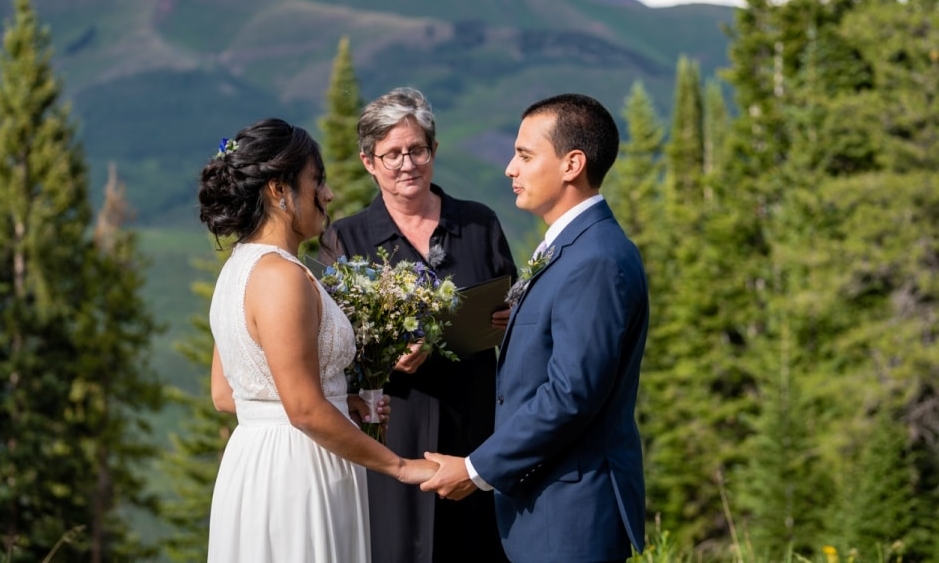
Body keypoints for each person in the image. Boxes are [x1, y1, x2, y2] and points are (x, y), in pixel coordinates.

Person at [420, 93, 649, 563]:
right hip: (543, 506)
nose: (510, 168)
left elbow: (571, 394)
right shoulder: (571, 246)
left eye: (524, 155)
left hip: (571, 514)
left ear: (572, 164)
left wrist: (475, 468)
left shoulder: (596, 259)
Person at [198, 118, 436, 563]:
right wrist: (401, 466)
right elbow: (303, 410)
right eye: (316, 180)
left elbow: (227, 395)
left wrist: (340, 403)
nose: (327, 194)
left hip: (256, 468)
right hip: (298, 472)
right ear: (277, 190)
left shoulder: (238, 268)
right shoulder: (280, 276)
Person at [319, 87, 517, 563]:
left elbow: (512, 306)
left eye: (418, 150)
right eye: (392, 154)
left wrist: (512, 317)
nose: (407, 164)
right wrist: (384, 356)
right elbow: (329, 343)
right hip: (391, 433)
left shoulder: (478, 224)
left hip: (473, 429)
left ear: (434, 150)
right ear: (369, 162)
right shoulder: (345, 238)